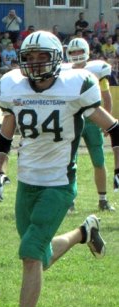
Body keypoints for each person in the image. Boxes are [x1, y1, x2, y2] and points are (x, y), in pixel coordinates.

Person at [0, 31, 118, 307]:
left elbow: (114, 127)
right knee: (40, 256)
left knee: (30, 251)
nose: (35, 64)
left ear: (56, 59)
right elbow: (4, 137)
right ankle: (83, 233)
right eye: (30, 58)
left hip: (59, 184)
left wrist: (116, 169)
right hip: (27, 183)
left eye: (42, 57)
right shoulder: (14, 89)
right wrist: (0, 170)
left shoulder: (74, 87)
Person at [67, 38, 116, 212]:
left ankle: (103, 199)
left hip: (93, 119)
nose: (76, 55)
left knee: (99, 160)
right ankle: (69, 201)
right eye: (73, 52)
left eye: (79, 52)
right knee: (70, 161)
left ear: (86, 51)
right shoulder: (65, 71)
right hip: (72, 119)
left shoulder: (96, 70)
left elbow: (107, 96)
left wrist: (107, 122)